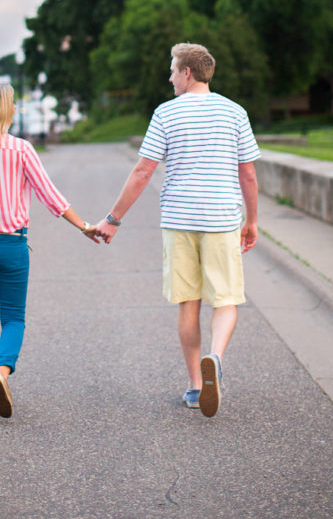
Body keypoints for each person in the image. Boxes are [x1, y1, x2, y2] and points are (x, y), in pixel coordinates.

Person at [96, 42, 260, 418]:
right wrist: (251, 221)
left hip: (180, 219)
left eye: (173, 70)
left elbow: (143, 171)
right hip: (221, 219)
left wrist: (113, 218)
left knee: (189, 302)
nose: (169, 78)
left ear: (188, 72)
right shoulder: (235, 112)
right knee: (227, 299)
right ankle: (214, 359)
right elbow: (247, 172)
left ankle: (193, 386)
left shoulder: (166, 114)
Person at [0, 82, 100, 418]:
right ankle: (2, 373)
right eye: (12, 103)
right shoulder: (21, 150)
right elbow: (50, 196)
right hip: (11, 245)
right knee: (13, 318)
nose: (15, 108)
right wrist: (84, 226)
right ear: (1, 109)